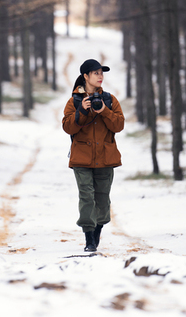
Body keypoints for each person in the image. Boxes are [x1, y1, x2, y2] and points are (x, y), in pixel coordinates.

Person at [62, 59, 125, 252]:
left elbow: (119, 125)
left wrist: (104, 111)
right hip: (82, 159)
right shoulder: (74, 101)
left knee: (102, 199)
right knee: (87, 196)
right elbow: (67, 127)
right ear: (85, 76)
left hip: (105, 158)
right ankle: (89, 238)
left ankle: (97, 232)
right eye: (96, 73)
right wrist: (82, 111)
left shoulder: (110, 100)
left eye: (101, 73)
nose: (100, 76)